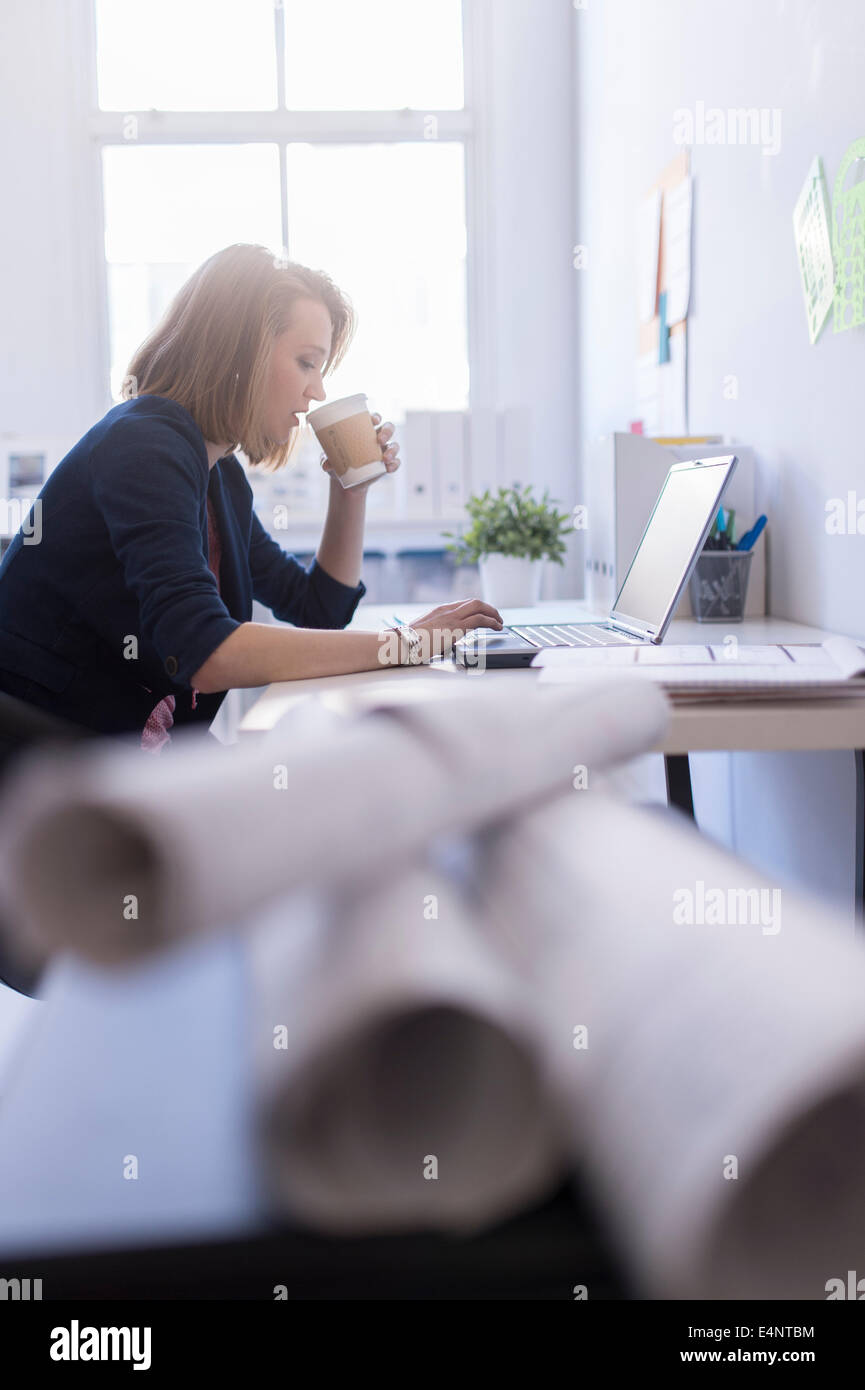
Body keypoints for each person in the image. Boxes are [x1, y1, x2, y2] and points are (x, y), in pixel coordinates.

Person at [0, 244, 503, 750]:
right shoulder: (144, 444)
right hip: (53, 761)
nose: (318, 392)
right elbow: (206, 651)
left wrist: (351, 489)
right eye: (307, 362)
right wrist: (406, 644)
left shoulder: (219, 475)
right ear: (240, 351)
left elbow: (318, 608)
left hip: (123, 751)